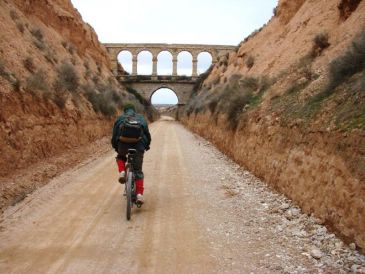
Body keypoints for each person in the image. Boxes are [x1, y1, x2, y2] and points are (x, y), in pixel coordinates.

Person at [111, 103, 151, 204]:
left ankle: (122, 172)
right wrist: (146, 146)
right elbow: (147, 135)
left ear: (125, 110)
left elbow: (114, 136)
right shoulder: (141, 118)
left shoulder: (120, 118)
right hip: (138, 145)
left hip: (123, 145)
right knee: (138, 171)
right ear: (134, 110)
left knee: (120, 157)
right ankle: (139, 195)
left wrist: (116, 147)